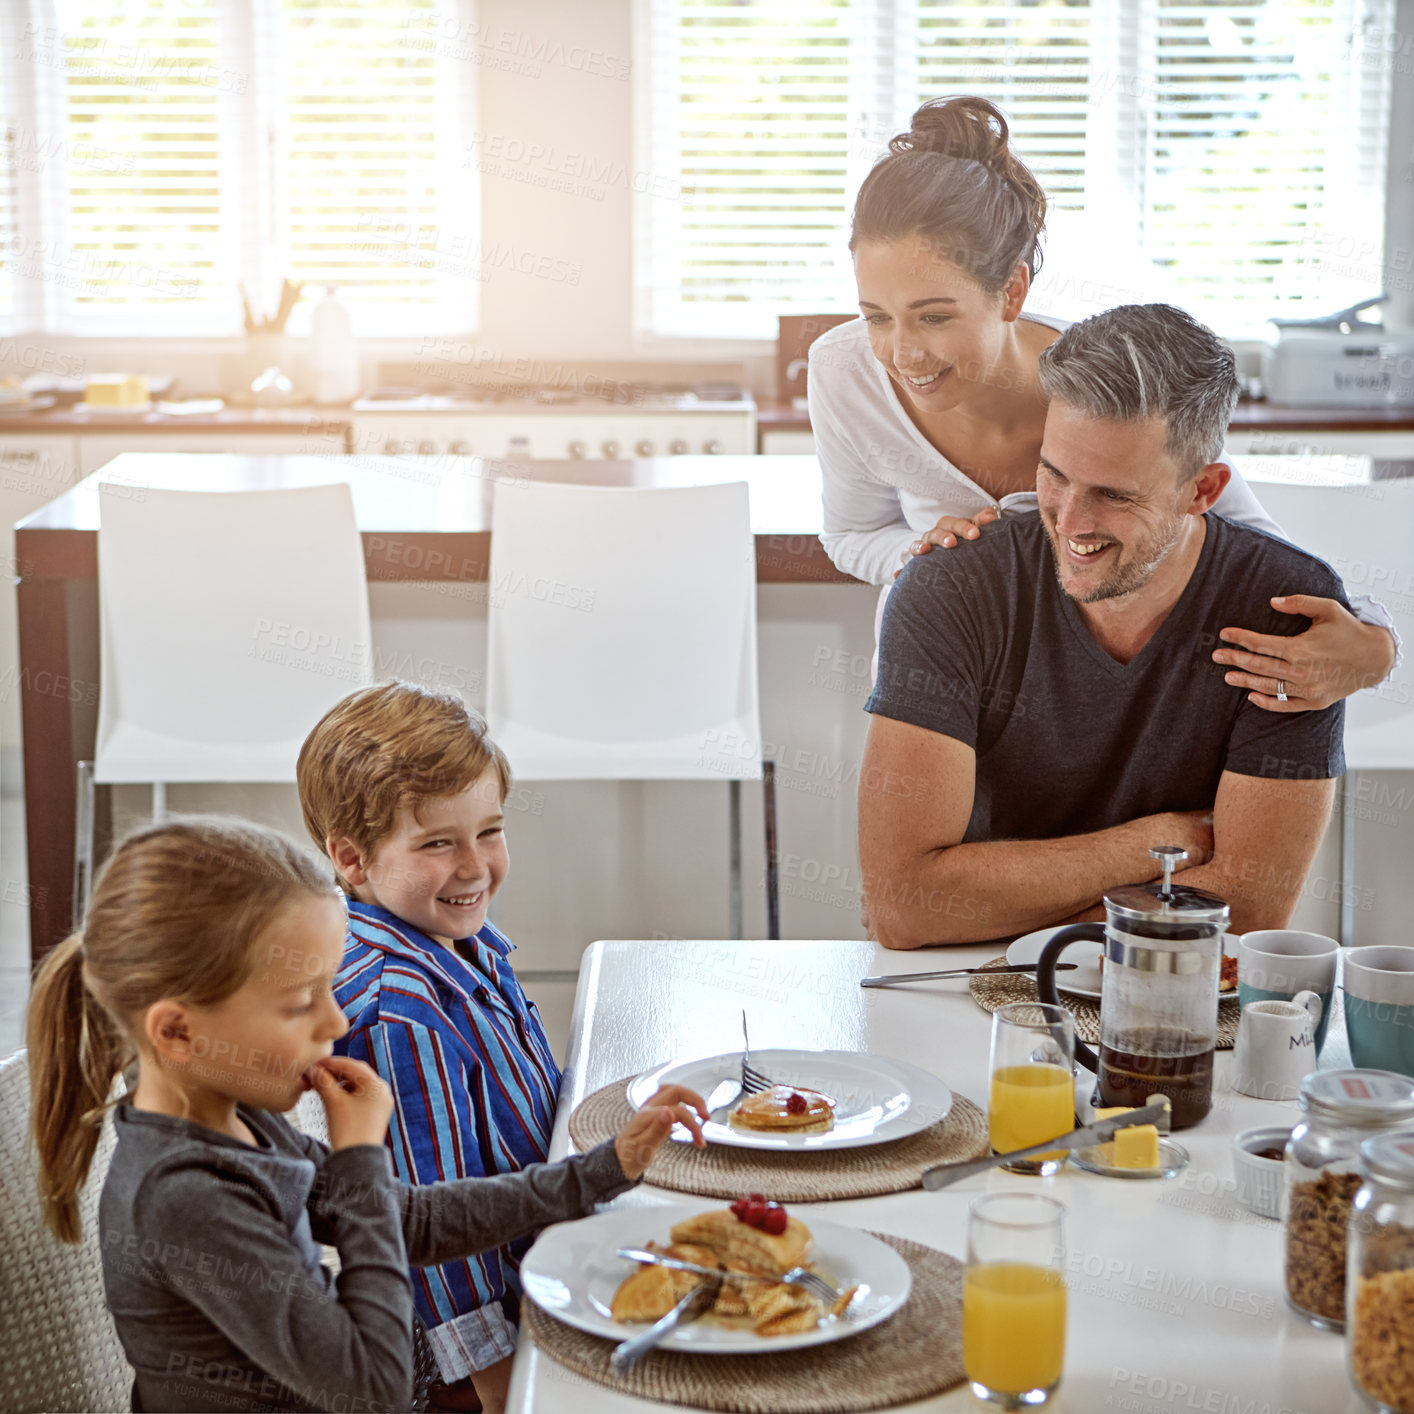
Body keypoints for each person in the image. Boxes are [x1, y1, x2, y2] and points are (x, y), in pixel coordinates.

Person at [26, 816, 705, 1414]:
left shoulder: (237, 1120)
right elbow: (373, 1390)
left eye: (330, 986)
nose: (337, 1019)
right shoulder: (185, 1198)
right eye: (299, 1004)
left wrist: (606, 1167)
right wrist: (359, 1156)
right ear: (177, 1033)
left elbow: (409, 1219)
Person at [811, 94, 1397, 712]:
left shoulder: (1111, 379)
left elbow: (1245, 536)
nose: (903, 354)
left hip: (1102, 703)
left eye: (933, 317)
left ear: (1012, 290)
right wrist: (922, 549)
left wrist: (1377, 641)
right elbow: (853, 533)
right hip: (945, 681)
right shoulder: (844, 371)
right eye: (876, 316)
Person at [858, 304, 1345, 949]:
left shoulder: (1287, 616)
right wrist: (1161, 846)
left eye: (1114, 495)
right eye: (1055, 475)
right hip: (959, 975)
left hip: (1178, 990)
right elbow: (903, 906)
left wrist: (989, 897)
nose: (1070, 521)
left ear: (1203, 490)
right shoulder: (950, 589)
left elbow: (1248, 914)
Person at [295, 681, 554, 1414]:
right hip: (472, 1354)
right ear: (351, 858)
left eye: (490, 831)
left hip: (530, 1263)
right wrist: (494, 1379)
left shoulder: (459, 941)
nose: (474, 866)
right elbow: (432, 1222)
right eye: (438, 842)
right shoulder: (401, 1010)